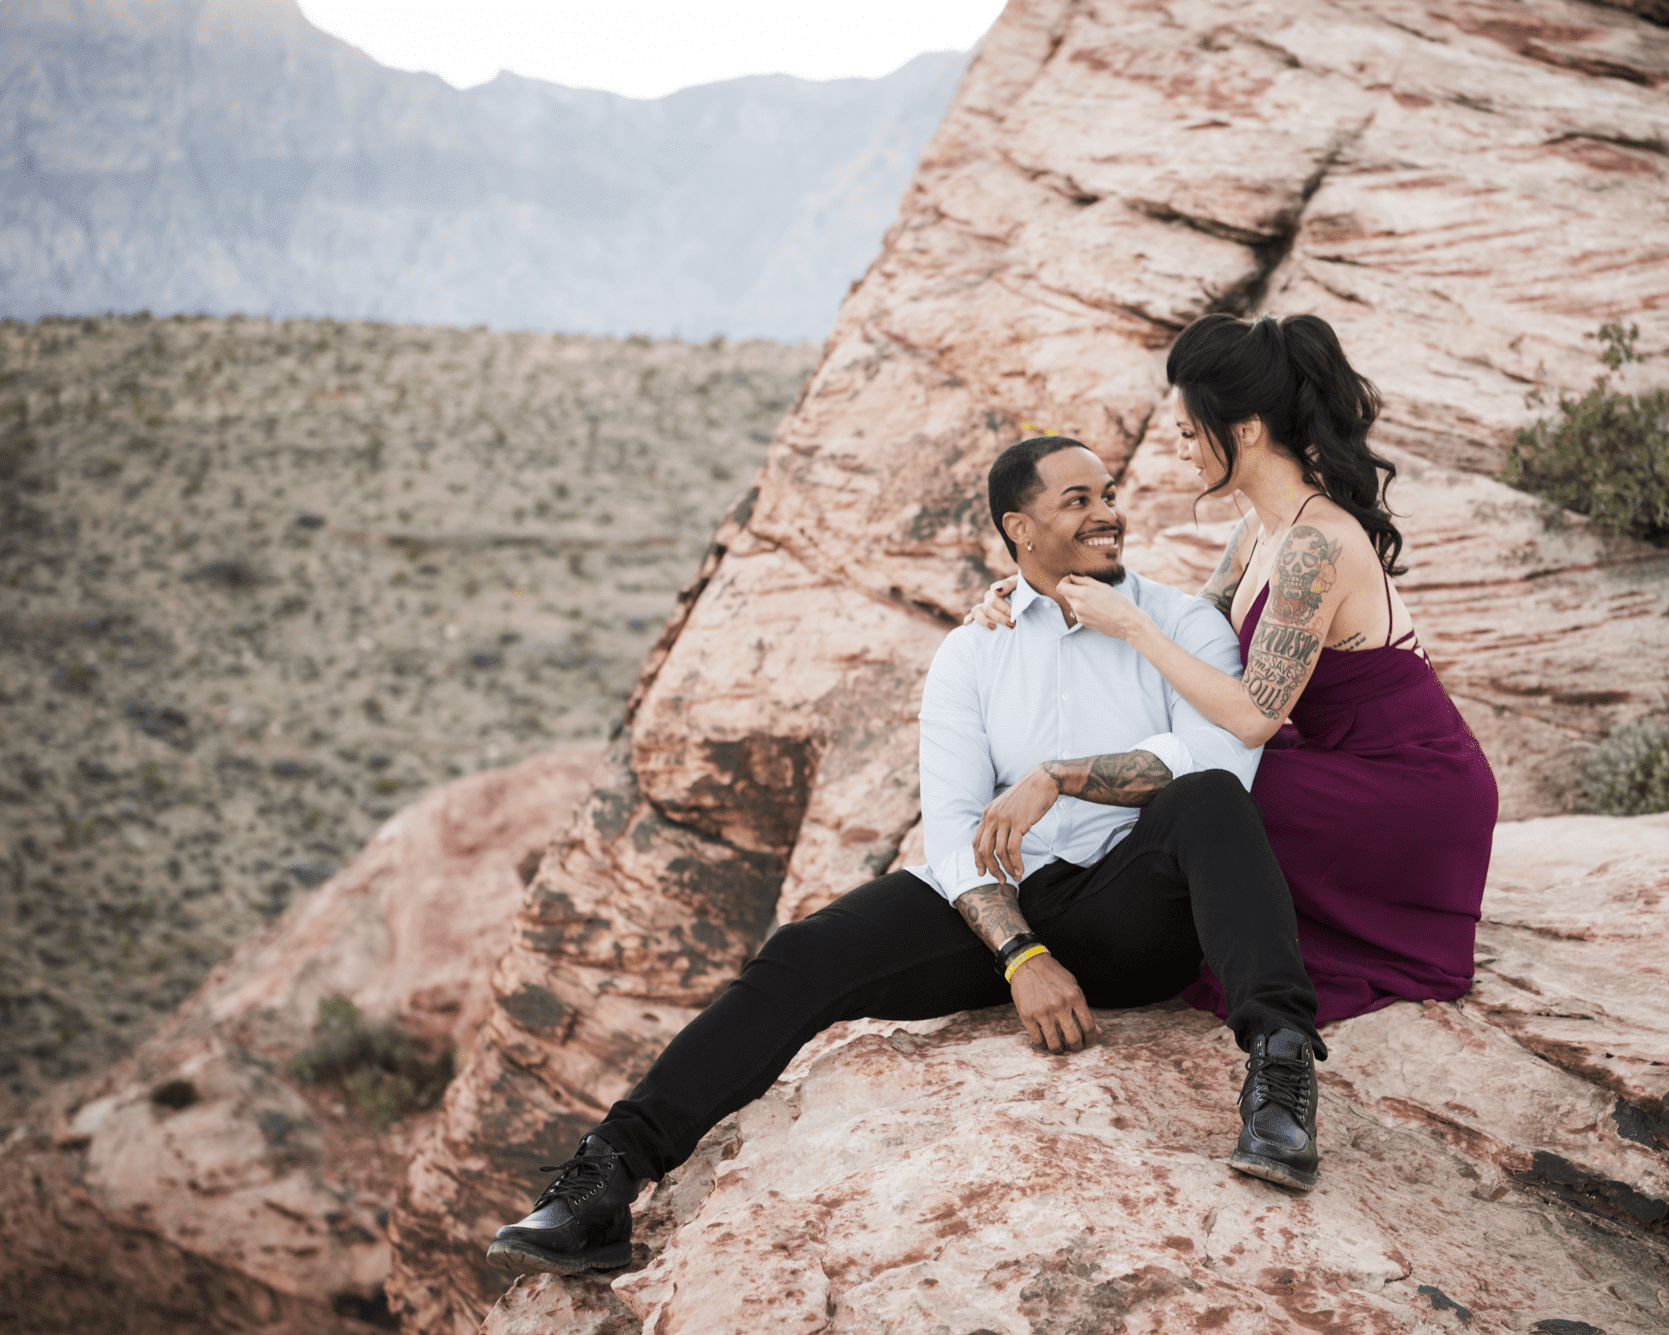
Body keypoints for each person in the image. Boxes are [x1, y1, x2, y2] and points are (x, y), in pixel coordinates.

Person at [485, 436, 1332, 1279]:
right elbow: (954, 826)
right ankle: (605, 1179)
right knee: (802, 954)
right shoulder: (974, 649)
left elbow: (1216, 761)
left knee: (1211, 799)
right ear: (1020, 528)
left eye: (1109, 493)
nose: (1109, 513)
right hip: (1005, 902)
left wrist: (1061, 777)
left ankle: (1281, 1076)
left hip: (1133, 904)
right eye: (1078, 500)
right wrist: (1022, 954)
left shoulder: (1180, 626)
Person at [971, 313, 1499, 1028]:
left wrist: (1130, 627)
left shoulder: (1317, 544)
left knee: (1200, 787)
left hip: (1408, 787)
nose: (1182, 448)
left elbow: (1254, 714)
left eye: (1191, 430)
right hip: (1337, 759)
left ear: (1244, 429)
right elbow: (1194, 623)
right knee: (1183, 768)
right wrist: (1029, 588)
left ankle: (1098, 936)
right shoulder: (1259, 529)